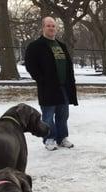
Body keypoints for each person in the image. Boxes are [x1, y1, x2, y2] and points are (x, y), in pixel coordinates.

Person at [25, 16, 77, 151]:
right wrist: (41, 80)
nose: (51, 28)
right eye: (48, 26)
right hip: (48, 88)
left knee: (63, 115)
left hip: (63, 87)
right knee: (48, 116)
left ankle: (62, 138)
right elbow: (31, 66)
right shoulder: (35, 46)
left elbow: (68, 66)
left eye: (53, 26)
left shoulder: (61, 46)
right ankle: (49, 139)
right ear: (43, 27)